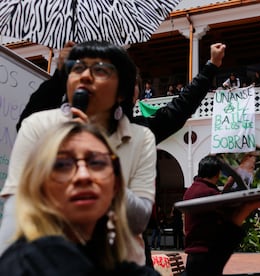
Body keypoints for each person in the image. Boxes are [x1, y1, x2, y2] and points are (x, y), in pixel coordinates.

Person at [0, 41, 158, 265]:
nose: (85, 76)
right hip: (50, 264)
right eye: (77, 67)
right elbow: (17, 208)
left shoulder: (141, 138)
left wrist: (100, 152)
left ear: (122, 92)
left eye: (100, 69)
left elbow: (138, 220)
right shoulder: (37, 126)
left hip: (119, 263)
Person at [0, 122, 159, 276]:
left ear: (116, 185)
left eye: (97, 162)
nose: (83, 176)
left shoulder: (109, 264)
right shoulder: (25, 265)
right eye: (61, 164)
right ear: (39, 187)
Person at [15, 43, 226, 145]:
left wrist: (211, 67)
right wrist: (62, 74)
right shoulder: (65, 125)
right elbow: (27, 126)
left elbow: (181, 108)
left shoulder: (138, 132)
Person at [183, 155, 260, 276]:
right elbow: (228, 214)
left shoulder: (192, 190)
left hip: (194, 254)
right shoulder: (209, 193)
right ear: (217, 174)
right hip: (206, 253)